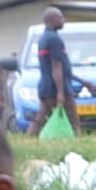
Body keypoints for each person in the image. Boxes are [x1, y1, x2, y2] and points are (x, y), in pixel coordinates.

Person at [34, 7, 76, 137]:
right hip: (56, 88)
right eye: (61, 17)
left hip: (46, 87)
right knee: (73, 119)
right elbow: (57, 66)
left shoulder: (44, 38)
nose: (63, 20)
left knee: (40, 119)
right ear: (52, 19)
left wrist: (82, 81)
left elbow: (64, 69)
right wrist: (60, 92)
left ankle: (29, 138)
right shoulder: (54, 39)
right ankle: (78, 141)